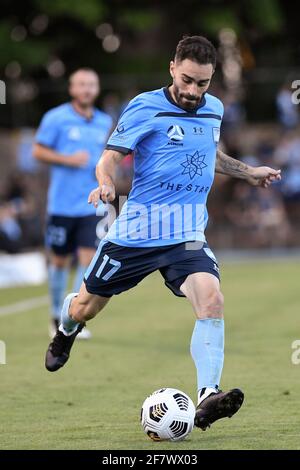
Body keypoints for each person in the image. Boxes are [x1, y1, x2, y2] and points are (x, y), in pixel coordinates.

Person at [45, 37, 281, 431]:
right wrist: (105, 184)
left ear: (212, 79)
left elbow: (209, 154)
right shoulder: (144, 106)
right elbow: (109, 159)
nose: (193, 91)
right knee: (86, 306)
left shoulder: (215, 109)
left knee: (212, 299)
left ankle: (208, 396)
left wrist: (247, 171)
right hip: (136, 233)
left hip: (186, 234)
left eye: (202, 84)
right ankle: (67, 327)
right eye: (187, 80)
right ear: (173, 67)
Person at [33, 68, 113, 339]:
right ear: (72, 88)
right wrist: (68, 159)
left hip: (91, 204)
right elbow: (38, 150)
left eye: (92, 84)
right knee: (58, 261)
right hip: (61, 205)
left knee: (88, 259)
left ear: (97, 88)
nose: (87, 89)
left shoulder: (104, 121)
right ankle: (55, 314)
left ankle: (72, 315)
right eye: (82, 84)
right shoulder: (56, 118)